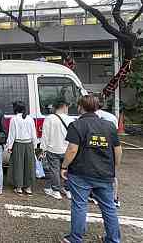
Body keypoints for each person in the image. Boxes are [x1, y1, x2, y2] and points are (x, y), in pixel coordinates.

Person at [61, 95, 122, 243]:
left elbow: (72, 149)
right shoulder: (109, 126)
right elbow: (118, 150)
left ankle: (75, 238)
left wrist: (64, 166)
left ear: (81, 107)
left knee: (80, 205)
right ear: (96, 107)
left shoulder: (77, 125)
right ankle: (113, 239)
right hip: (104, 173)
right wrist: (114, 169)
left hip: (80, 173)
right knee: (109, 208)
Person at [41, 100, 74, 200]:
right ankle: (67, 190)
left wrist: (43, 148)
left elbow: (45, 135)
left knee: (54, 170)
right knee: (68, 170)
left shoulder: (49, 118)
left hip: (53, 149)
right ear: (64, 107)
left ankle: (56, 191)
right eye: (67, 107)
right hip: (67, 149)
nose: (68, 109)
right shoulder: (70, 119)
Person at [7, 101, 38, 196]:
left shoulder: (14, 119)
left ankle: (19, 187)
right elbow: (34, 134)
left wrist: (9, 146)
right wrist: (35, 146)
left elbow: (12, 134)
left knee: (18, 165)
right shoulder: (30, 119)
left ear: (15, 109)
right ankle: (28, 188)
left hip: (18, 144)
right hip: (29, 144)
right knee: (29, 166)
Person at [95, 96, 120, 208]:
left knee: (93, 172)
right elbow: (116, 135)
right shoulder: (112, 117)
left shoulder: (88, 117)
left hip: (94, 148)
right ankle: (114, 198)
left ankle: (94, 195)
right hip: (109, 148)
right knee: (112, 174)